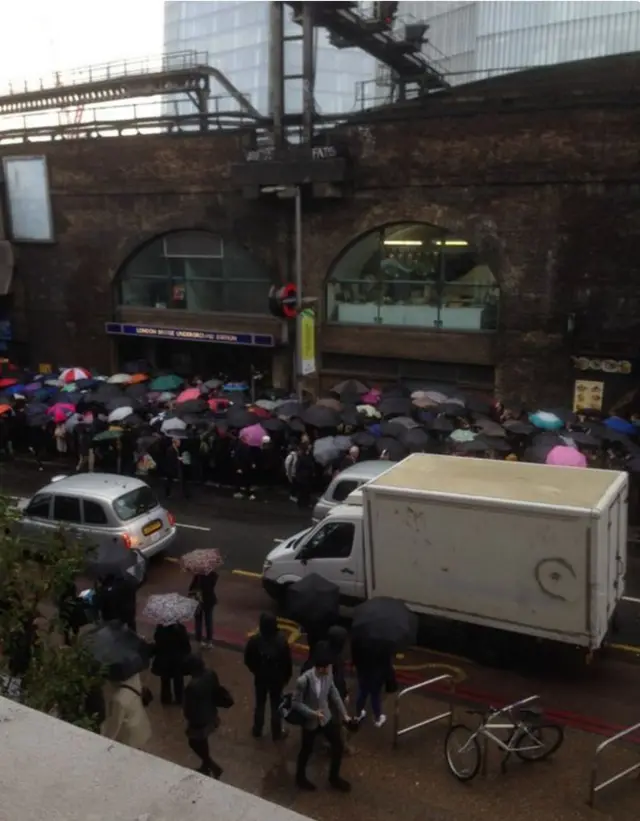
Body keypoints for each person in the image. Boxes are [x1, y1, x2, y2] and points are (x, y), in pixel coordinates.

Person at [293, 641, 351, 793]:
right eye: (325, 668)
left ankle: (334, 777)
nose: (329, 670)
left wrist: (344, 713)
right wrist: (313, 714)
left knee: (337, 745)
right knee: (306, 749)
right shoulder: (304, 680)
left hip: (325, 717)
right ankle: (300, 778)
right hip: (311, 719)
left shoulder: (328, 671)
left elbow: (333, 692)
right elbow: (296, 703)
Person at [244, 613, 292, 741]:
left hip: (260, 677)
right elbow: (287, 662)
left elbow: (248, 659)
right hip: (276, 679)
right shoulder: (281, 641)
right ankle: (276, 733)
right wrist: (286, 677)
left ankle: (257, 729)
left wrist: (255, 671)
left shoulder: (255, 640)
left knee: (260, 703)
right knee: (276, 706)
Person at [183, 654, 227, 779]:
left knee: (194, 742)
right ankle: (206, 766)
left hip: (198, 719)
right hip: (210, 712)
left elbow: (189, 708)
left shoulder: (192, 687)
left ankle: (211, 765)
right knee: (202, 741)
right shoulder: (210, 674)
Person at [101, 672, 152, 750]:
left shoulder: (118, 699)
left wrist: (104, 744)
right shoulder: (135, 680)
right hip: (141, 729)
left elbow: (114, 726)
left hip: (129, 738)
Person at [351, 638, 392, 729]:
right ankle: (377, 718)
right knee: (375, 695)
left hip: (362, 671)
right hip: (376, 674)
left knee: (362, 692)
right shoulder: (383, 642)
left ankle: (358, 714)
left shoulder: (361, 638)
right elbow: (386, 662)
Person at [151, 621, 191, 705]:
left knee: (165, 680)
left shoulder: (160, 628)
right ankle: (179, 698)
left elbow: (157, 642)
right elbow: (187, 647)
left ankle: (166, 699)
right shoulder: (181, 629)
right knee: (179, 680)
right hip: (178, 660)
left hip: (164, 659)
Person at [189, 568, 219, 648]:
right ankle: (209, 641)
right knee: (208, 620)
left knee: (198, 620)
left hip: (199, 600)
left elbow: (191, 588)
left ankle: (199, 640)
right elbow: (212, 585)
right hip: (209, 600)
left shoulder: (198, 576)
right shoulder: (213, 575)